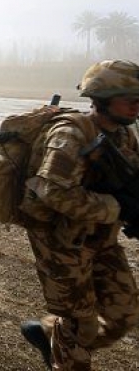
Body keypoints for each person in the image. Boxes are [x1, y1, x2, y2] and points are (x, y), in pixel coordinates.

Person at [20, 59, 139, 370]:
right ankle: (66, 345)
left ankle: (48, 333)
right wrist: (115, 207)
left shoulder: (125, 136)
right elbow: (54, 192)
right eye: (130, 99)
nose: (136, 106)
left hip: (102, 240)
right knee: (80, 326)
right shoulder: (71, 134)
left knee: (125, 314)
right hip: (61, 244)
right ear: (103, 97)